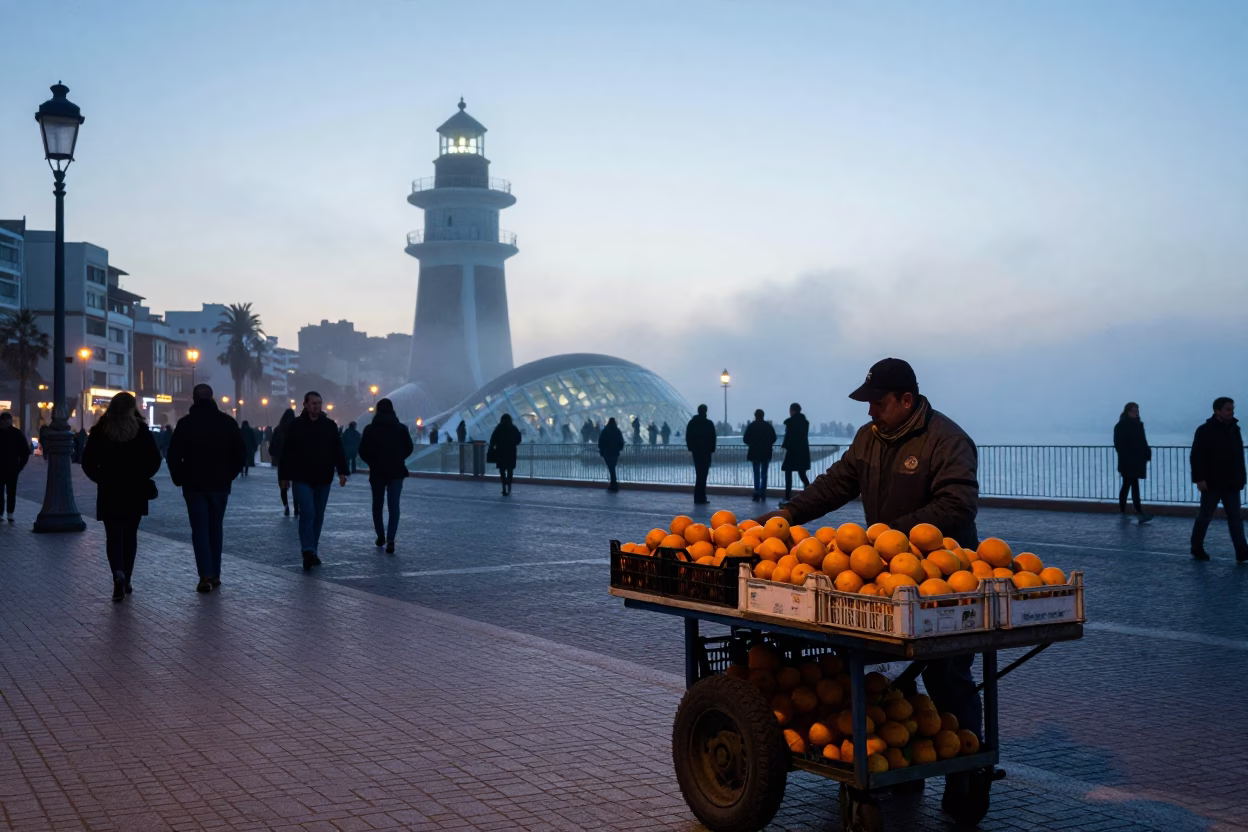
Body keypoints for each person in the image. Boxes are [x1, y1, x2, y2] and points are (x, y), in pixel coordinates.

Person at [756, 358, 983, 792]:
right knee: (892, 675)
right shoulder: (869, 438)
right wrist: (786, 513)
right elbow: (835, 484)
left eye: (878, 403)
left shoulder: (948, 440)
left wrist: (888, 535)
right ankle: (901, 763)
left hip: (944, 580)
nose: (870, 412)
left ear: (906, 400)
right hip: (879, 577)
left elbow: (958, 505)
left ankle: (967, 778)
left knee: (946, 675)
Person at [80, 393, 163, 602]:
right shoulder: (141, 430)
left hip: (110, 491)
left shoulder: (100, 431)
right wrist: (142, 476)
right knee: (130, 535)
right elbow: (155, 458)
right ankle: (127, 577)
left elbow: (87, 462)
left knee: (114, 535)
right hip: (135, 490)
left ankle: (117, 573)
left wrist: (102, 478)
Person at [166, 384, 246, 592]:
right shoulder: (227, 422)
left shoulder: (185, 424)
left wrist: (179, 477)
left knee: (200, 530)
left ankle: (205, 575)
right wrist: (230, 474)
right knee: (215, 528)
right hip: (220, 484)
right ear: (212, 398)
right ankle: (216, 573)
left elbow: (173, 454)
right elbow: (240, 452)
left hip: (194, 485)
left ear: (194, 399)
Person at [278, 391, 349, 570]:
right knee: (307, 513)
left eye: (319, 403)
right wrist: (283, 477)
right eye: (313, 403)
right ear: (305, 405)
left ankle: (313, 550)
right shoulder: (295, 425)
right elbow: (286, 452)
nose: (317, 406)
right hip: (301, 477)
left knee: (318, 516)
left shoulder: (329, 425)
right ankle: (307, 550)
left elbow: (337, 449)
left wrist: (342, 472)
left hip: (324, 478)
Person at [1189, 396, 1247, 562]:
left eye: (1232, 409)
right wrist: (1199, 479)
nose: (1232, 412)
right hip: (1212, 483)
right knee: (1205, 516)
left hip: (1231, 482)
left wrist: (1241, 478)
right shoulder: (1204, 430)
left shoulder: (1235, 429)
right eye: (1228, 409)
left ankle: (1242, 551)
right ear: (1217, 411)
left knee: (1235, 517)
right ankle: (1196, 547)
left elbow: (1238, 456)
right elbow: (1196, 457)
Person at [358, 397, 414, 554]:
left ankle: (380, 536)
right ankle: (391, 539)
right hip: (396, 471)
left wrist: (372, 462)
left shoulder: (370, 429)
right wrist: (398, 458)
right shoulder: (401, 428)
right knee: (394, 506)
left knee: (377, 505)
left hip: (377, 472)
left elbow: (362, 451)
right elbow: (409, 447)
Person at [1113, 402, 1152, 523]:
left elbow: (1143, 440)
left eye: (1137, 411)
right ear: (1127, 412)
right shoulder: (1120, 426)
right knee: (1129, 485)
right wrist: (1127, 457)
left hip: (1136, 460)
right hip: (1127, 461)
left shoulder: (1138, 425)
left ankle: (1128, 511)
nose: (1136, 413)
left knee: (1130, 485)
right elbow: (1118, 445)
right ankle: (1133, 511)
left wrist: (1147, 451)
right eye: (1134, 411)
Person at [0, 411, 32, 523]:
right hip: (8, 467)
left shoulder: (16, 433)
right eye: (3, 420)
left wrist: (20, 466)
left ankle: (9, 513)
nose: (4, 422)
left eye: (6, 420)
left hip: (12, 467)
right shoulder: (16, 433)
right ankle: (3, 513)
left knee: (11, 491)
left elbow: (25, 451)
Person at [743, 409, 777, 502]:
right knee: (764, 474)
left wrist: (752, 444)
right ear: (763, 415)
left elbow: (745, 439)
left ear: (755, 415)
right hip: (766, 453)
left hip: (754, 453)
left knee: (756, 473)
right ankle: (763, 493)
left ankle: (756, 493)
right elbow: (774, 438)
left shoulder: (751, 426)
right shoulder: (768, 426)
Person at [685, 404, 717, 505]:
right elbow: (713, 438)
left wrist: (691, 448)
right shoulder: (708, 423)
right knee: (703, 475)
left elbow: (688, 436)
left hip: (696, 452)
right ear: (705, 411)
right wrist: (712, 449)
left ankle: (698, 497)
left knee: (699, 474)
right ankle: (701, 497)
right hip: (706, 452)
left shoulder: (692, 423)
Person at [269, 408, 298, 516]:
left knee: (283, 486)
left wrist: (277, 457)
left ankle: (286, 506)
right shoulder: (297, 429)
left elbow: (272, 448)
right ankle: (296, 507)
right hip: (295, 462)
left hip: (282, 461)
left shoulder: (278, 430)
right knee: (297, 486)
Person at [782, 402, 812, 501]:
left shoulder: (790, 423)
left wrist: (785, 445)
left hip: (792, 451)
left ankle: (787, 494)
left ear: (792, 411)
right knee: (802, 473)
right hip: (803, 451)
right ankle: (809, 492)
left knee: (788, 473)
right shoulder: (805, 423)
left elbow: (788, 437)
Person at [488, 413, 522, 496]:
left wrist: (493, 446)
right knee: (510, 469)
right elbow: (518, 438)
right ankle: (509, 484)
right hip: (511, 451)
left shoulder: (499, 427)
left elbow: (493, 438)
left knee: (502, 470)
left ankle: (504, 487)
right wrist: (513, 444)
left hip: (500, 451)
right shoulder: (513, 427)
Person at [599, 417, 625, 492]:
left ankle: (613, 484)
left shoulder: (605, 430)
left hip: (607, 452)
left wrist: (602, 450)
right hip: (615, 452)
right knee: (612, 467)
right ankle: (613, 484)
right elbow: (621, 441)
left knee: (611, 468)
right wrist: (619, 448)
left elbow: (601, 441)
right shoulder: (617, 431)